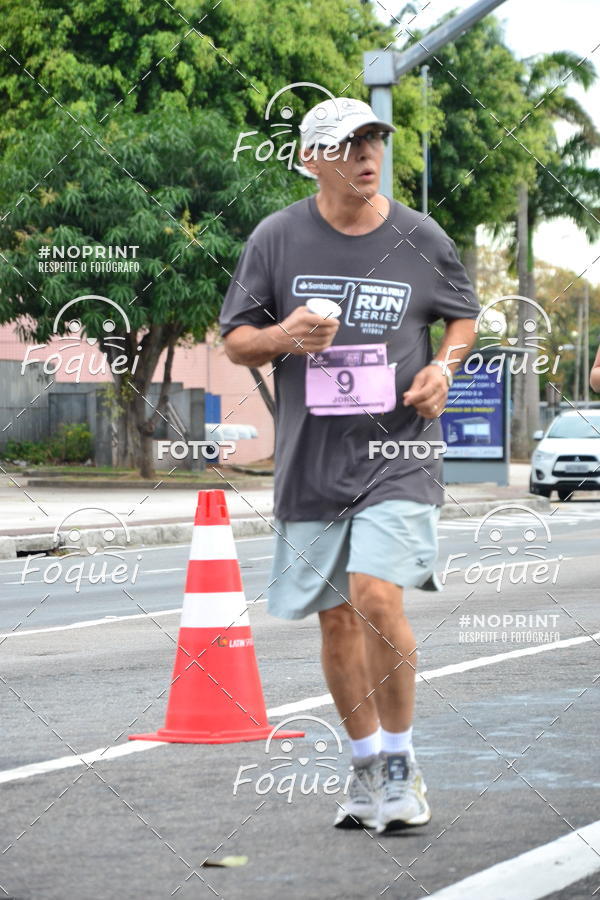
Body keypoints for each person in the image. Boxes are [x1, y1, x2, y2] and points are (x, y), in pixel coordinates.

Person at [220, 97, 479, 833]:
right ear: (312, 159)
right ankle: (365, 767)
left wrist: (446, 370)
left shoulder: (420, 237)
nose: (368, 155)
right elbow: (237, 340)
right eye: (349, 144)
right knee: (335, 623)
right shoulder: (277, 239)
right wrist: (285, 335)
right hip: (310, 461)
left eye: (375, 140)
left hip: (397, 453)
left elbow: (462, 316)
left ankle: (401, 764)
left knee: (374, 596)